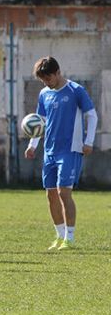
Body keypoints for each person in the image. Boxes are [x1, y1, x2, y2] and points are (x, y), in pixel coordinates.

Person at [24, 56, 96, 251]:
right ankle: (60, 236)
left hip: (71, 150)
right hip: (50, 151)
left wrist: (88, 141)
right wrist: (32, 145)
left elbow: (92, 114)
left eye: (48, 78)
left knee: (64, 192)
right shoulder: (44, 93)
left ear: (58, 73)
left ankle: (70, 239)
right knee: (51, 195)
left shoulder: (76, 90)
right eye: (43, 80)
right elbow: (40, 121)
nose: (46, 83)